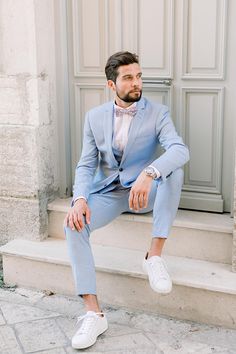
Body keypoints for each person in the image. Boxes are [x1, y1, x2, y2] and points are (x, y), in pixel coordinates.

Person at [64, 51, 189, 350]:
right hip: (108, 192)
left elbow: (179, 150)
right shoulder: (94, 117)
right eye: (129, 77)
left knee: (174, 171)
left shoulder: (158, 113)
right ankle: (93, 313)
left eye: (139, 75)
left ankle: (154, 257)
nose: (137, 83)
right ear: (112, 85)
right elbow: (86, 164)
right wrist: (80, 198)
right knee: (73, 223)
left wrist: (150, 172)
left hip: (144, 193)